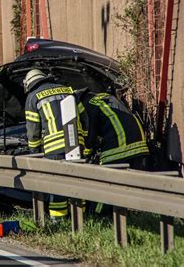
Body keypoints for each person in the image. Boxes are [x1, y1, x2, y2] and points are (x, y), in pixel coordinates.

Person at [24, 69, 85, 220]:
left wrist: (34, 150)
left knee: (57, 185)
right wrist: (86, 141)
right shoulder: (68, 90)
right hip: (77, 144)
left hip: (54, 148)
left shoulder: (33, 96)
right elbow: (84, 117)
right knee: (79, 182)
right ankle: (81, 218)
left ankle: (58, 220)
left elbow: (33, 130)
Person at [76, 89, 150, 169]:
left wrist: (85, 152)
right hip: (139, 146)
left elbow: (90, 137)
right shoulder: (102, 97)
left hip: (120, 149)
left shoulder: (87, 104)